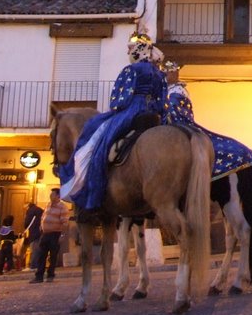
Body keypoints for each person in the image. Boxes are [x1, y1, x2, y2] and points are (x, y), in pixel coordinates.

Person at [59, 32, 168, 213]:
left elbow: (119, 100)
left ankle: (94, 187)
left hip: (133, 110)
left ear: (138, 50)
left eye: (130, 47)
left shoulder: (131, 70)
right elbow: (163, 99)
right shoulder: (159, 73)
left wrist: (117, 108)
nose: (128, 50)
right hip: (153, 113)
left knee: (96, 132)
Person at [31, 188, 69, 283]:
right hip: (45, 234)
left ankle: (50, 275)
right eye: (50, 195)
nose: (50, 196)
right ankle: (39, 276)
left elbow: (65, 223)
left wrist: (62, 235)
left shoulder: (62, 207)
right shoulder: (48, 205)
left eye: (52, 195)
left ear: (58, 196)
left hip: (55, 234)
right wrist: (41, 226)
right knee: (41, 255)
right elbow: (43, 216)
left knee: (53, 256)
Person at [22, 199, 43, 271]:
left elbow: (27, 222)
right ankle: (38, 264)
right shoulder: (40, 210)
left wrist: (25, 227)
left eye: (25, 207)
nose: (25, 209)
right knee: (38, 248)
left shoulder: (31, 211)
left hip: (34, 232)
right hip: (40, 231)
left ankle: (33, 265)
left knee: (34, 249)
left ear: (27, 205)